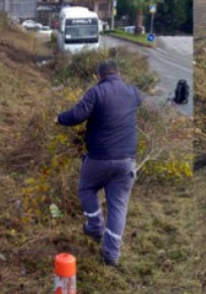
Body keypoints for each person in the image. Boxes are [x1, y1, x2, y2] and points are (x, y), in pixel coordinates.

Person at [55, 59, 141, 266]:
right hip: (127, 161)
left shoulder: (96, 92)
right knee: (118, 207)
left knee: (86, 188)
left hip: (100, 158)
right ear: (118, 73)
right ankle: (111, 255)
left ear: (99, 76)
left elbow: (77, 115)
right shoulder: (132, 92)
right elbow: (141, 101)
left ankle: (94, 226)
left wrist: (59, 118)